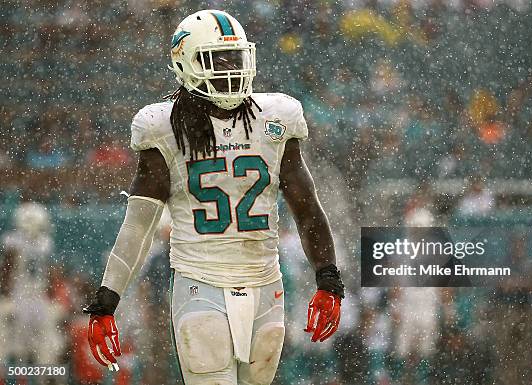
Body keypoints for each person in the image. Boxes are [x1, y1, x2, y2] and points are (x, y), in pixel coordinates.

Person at [82, 9, 345, 385]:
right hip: (200, 279)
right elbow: (140, 225)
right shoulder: (163, 128)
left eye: (235, 58)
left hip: (266, 279)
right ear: (184, 64)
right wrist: (106, 300)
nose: (230, 70)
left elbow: (306, 208)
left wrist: (328, 277)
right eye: (216, 60)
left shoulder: (276, 118)